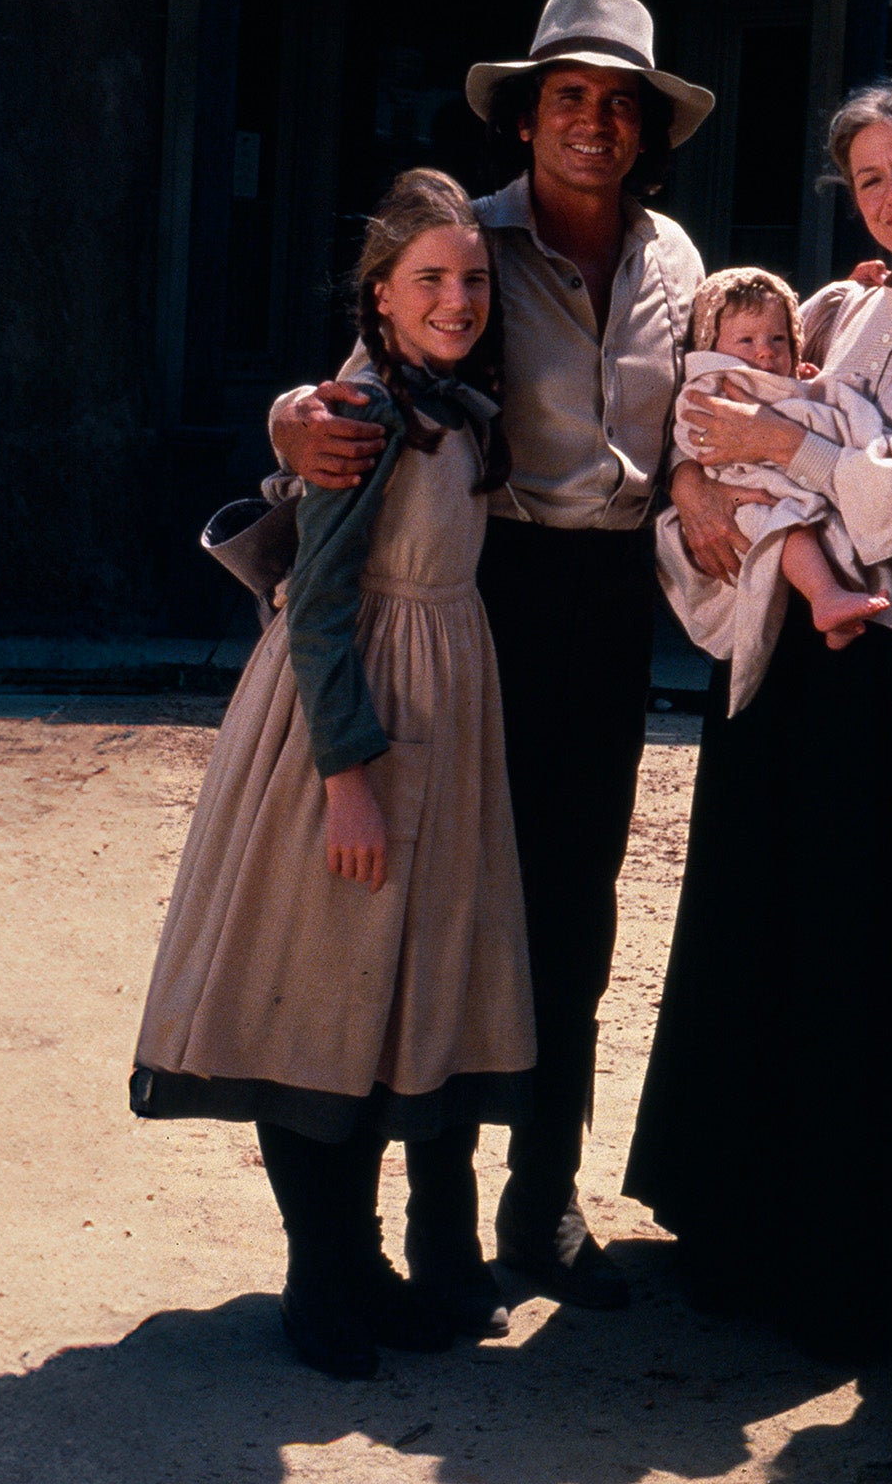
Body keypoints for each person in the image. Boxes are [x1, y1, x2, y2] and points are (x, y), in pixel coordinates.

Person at [267, 0, 711, 1312]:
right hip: (488, 589)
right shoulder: (470, 244)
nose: (593, 123)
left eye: (617, 104)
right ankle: (443, 1219)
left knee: (576, 910)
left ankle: (542, 1202)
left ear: (643, 130)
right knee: (462, 904)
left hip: (612, 600)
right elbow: (363, 388)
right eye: (569, 98)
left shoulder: (678, 263)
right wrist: (290, 417)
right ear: (528, 118)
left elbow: (750, 375)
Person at [622, 82, 892, 1352]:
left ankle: (835, 1251)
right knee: (749, 923)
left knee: (857, 955)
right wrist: (706, 465)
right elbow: (717, 397)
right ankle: (726, 1220)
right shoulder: (837, 305)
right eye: (867, 179)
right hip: (773, 650)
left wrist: (791, 450)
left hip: (884, 671)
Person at [130, 170, 535, 1378]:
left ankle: (367, 1269)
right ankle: (323, 1277)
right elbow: (313, 603)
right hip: (348, 710)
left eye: (469, 279)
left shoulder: (447, 404)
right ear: (379, 294)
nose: (456, 299)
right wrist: (345, 775)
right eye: (429, 280)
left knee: (397, 993)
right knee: (321, 992)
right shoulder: (357, 413)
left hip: (443, 700)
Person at [654, 266, 892, 716]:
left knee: (801, 518)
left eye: (778, 341)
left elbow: (799, 326)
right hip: (740, 495)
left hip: (775, 484)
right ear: (711, 345)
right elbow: (697, 432)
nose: (764, 352)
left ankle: (831, 609)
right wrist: (789, 398)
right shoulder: (715, 380)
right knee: (789, 524)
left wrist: (798, 384)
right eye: (746, 342)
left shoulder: (774, 368)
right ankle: (826, 598)